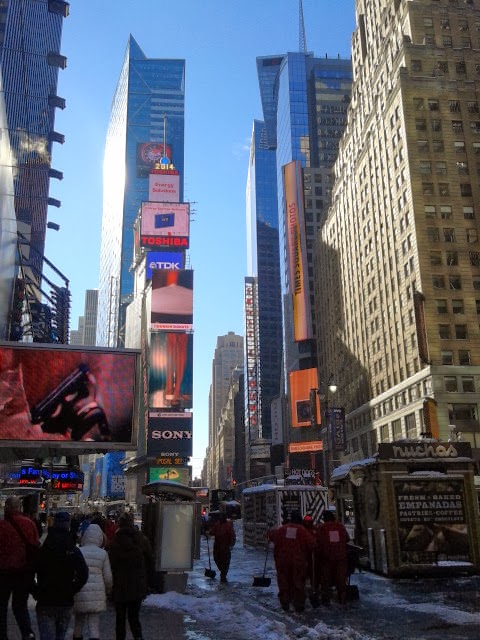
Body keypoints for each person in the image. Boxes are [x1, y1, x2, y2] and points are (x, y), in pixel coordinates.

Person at [32, 511, 89, 640]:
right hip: (65, 600)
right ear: (68, 525)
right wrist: (72, 589)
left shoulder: (44, 547)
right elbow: (83, 573)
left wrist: (35, 591)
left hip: (45, 599)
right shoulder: (72, 549)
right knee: (60, 635)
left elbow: (30, 571)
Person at [107, 512, 153, 640]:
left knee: (120, 619)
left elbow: (110, 564)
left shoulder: (114, 542)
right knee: (134, 618)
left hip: (119, 586)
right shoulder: (141, 540)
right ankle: (138, 637)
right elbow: (150, 561)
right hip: (137, 586)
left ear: (119, 524)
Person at [0, 496, 40, 640]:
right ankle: (28, 634)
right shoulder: (29, 524)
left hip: (4, 572)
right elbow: (35, 546)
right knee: (20, 606)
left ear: (7, 507)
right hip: (24, 572)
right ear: (19, 508)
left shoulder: (2, 526)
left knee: (1, 607)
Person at [268, 510, 316, 614]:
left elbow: (271, 536)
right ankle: (299, 606)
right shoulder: (302, 530)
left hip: (282, 561)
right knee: (298, 582)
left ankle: (285, 603)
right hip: (298, 562)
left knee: (284, 582)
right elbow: (312, 544)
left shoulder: (282, 529)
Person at [73, 523, 112, 640]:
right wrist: (107, 591)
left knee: (78, 623)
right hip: (97, 594)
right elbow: (108, 577)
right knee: (94, 626)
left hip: (80, 592)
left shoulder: (79, 551)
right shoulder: (103, 554)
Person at [316, 509, 350, 605]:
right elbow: (347, 539)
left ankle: (326, 601)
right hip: (340, 557)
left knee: (326, 580)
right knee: (341, 579)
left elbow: (317, 541)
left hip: (327, 558)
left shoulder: (322, 528)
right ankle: (342, 599)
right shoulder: (340, 526)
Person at [208, 512, 236, 583]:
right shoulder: (217, 525)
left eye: (222, 517)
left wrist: (231, 544)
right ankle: (223, 572)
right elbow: (212, 532)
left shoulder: (228, 526)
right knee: (217, 559)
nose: (221, 518)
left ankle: (223, 575)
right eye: (220, 517)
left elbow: (232, 536)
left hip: (225, 547)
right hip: (218, 547)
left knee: (225, 562)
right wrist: (209, 532)